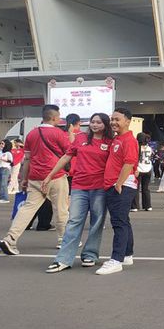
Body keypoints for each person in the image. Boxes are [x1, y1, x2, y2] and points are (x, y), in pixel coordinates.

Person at [43, 113, 113, 273]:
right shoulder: (81, 138)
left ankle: (90, 255)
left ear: (105, 125)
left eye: (99, 122)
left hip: (100, 188)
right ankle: (63, 259)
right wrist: (50, 175)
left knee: (97, 222)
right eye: (93, 122)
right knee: (74, 221)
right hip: (79, 187)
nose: (95, 125)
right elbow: (65, 157)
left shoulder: (110, 142)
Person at [0, 105, 71, 255]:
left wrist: (24, 179)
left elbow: (27, 159)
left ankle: (10, 239)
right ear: (54, 118)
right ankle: (64, 239)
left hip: (35, 177)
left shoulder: (32, 134)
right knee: (61, 209)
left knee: (27, 209)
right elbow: (69, 154)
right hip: (55, 176)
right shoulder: (59, 134)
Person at [97, 108, 139, 276]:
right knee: (123, 221)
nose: (113, 122)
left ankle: (116, 260)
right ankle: (127, 255)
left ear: (128, 121)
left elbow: (129, 163)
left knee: (119, 223)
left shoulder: (128, 140)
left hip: (121, 185)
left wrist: (119, 184)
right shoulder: (117, 139)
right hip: (115, 184)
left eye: (117, 119)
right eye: (112, 119)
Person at [132, 132, 153, 211]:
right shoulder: (149, 148)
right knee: (146, 188)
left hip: (138, 169)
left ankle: (135, 206)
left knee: (135, 188)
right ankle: (148, 206)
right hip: (148, 169)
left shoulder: (136, 147)